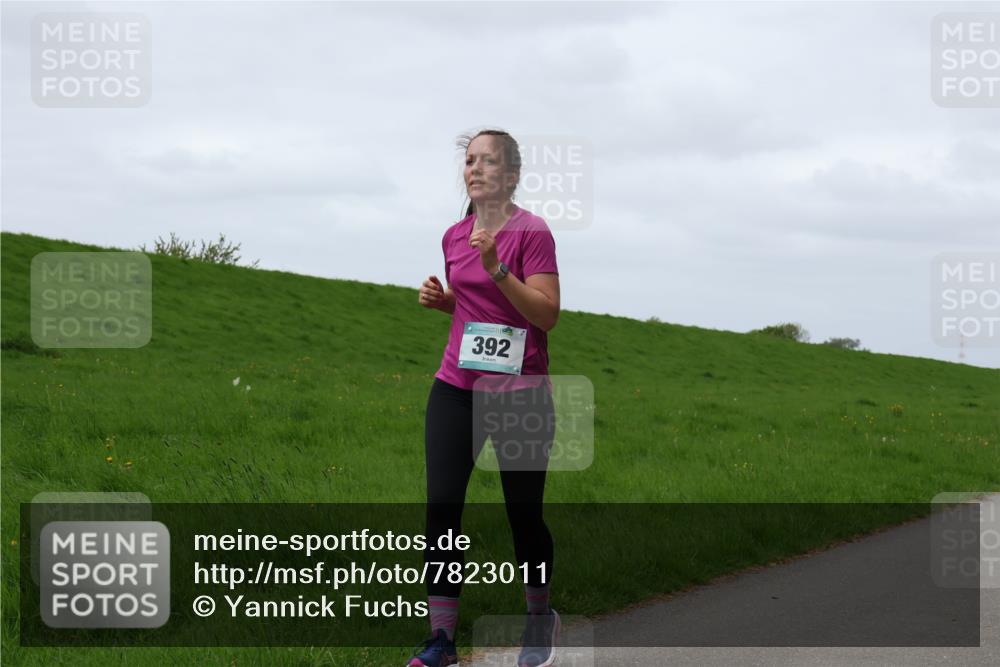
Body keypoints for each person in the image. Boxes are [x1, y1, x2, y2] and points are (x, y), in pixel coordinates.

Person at [407, 129, 561, 667]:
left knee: (523, 516)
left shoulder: (532, 232)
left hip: (520, 393)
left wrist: (497, 266)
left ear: (512, 175)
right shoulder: (453, 235)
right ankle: (442, 639)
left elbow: (545, 315)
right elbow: (480, 315)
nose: (473, 169)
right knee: (442, 507)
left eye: (487, 162)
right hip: (457, 388)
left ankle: (539, 619)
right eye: (469, 161)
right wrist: (444, 301)